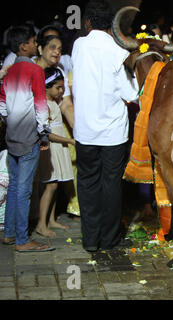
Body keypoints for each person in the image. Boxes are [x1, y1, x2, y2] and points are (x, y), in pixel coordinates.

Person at [71, 0, 139, 252]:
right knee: (111, 184)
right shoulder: (117, 51)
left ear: (87, 22)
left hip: (85, 131)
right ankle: (109, 239)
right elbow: (131, 94)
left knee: (87, 183)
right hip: (112, 133)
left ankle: (90, 239)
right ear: (111, 26)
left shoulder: (79, 46)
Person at [0, 25, 54, 252]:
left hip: (11, 134)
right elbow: (41, 106)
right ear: (24, 46)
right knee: (23, 189)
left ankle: (10, 234)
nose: (36, 45)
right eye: (33, 42)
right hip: (29, 135)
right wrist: (44, 133)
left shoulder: (10, 71)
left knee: (14, 187)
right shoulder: (35, 71)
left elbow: (2, 106)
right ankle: (22, 240)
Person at [36, 67, 75, 238]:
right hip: (50, 149)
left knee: (55, 184)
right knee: (50, 185)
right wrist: (69, 141)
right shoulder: (43, 105)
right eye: (58, 88)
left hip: (58, 148)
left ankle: (50, 220)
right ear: (46, 86)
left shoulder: (53, 103)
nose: (61, 91)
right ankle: (41, 224)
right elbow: (46, 134)